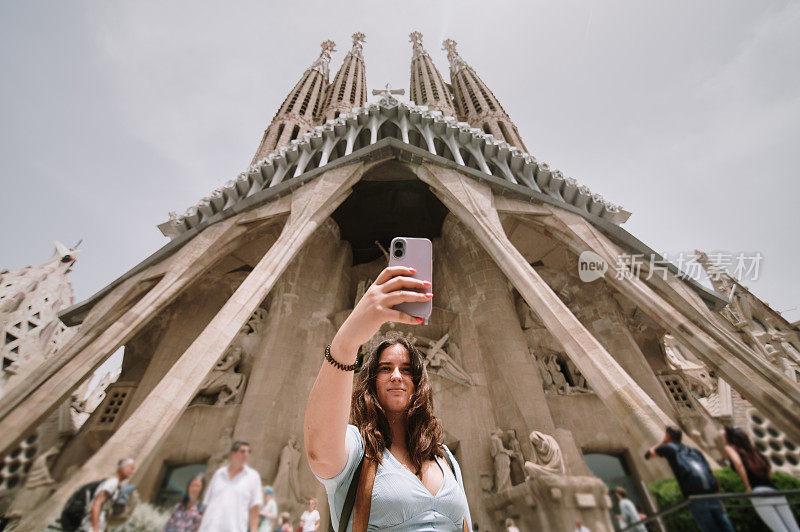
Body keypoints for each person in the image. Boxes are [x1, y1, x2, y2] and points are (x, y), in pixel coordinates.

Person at [304, 265, 472, 531]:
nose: (396, 376)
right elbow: (319, 452)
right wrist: (347, 342)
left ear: (419, 384)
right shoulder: (357, 449)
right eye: (385, 369)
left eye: (407, 370)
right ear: (371, 382)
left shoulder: (446, 458)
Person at [645, 426, 734, 532]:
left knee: (711, 529)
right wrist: (718, 495)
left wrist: (663, 442)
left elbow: (648, 454)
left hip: (696, 497)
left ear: (668, 436)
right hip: (713, 494)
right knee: (726, 526)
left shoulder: (668, 448)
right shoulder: (694, 450)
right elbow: (711, 472)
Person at [723, 426, 800, 532]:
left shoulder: (730, 448)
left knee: (780, 530)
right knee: (794, 529)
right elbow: (768, 468)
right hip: (774, 491)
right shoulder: (753, 450)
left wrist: (748, 486)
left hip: (758, 492)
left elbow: (739, 464)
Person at [199, 440, 263, 532]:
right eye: (242, 451)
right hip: (209, 528)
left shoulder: (253, 477)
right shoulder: (219, 474)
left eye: (249, 452)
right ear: (232, 454)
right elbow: (207, 503)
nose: (246, 454)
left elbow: (255, 507)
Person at [81, 458, 136, 532]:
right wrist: (95, 529)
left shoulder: (116, 485)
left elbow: (105, 510)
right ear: (123, 467)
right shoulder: (112, 483)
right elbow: (96, 505)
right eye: (131, 469)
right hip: (90, 527)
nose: (132, 472)